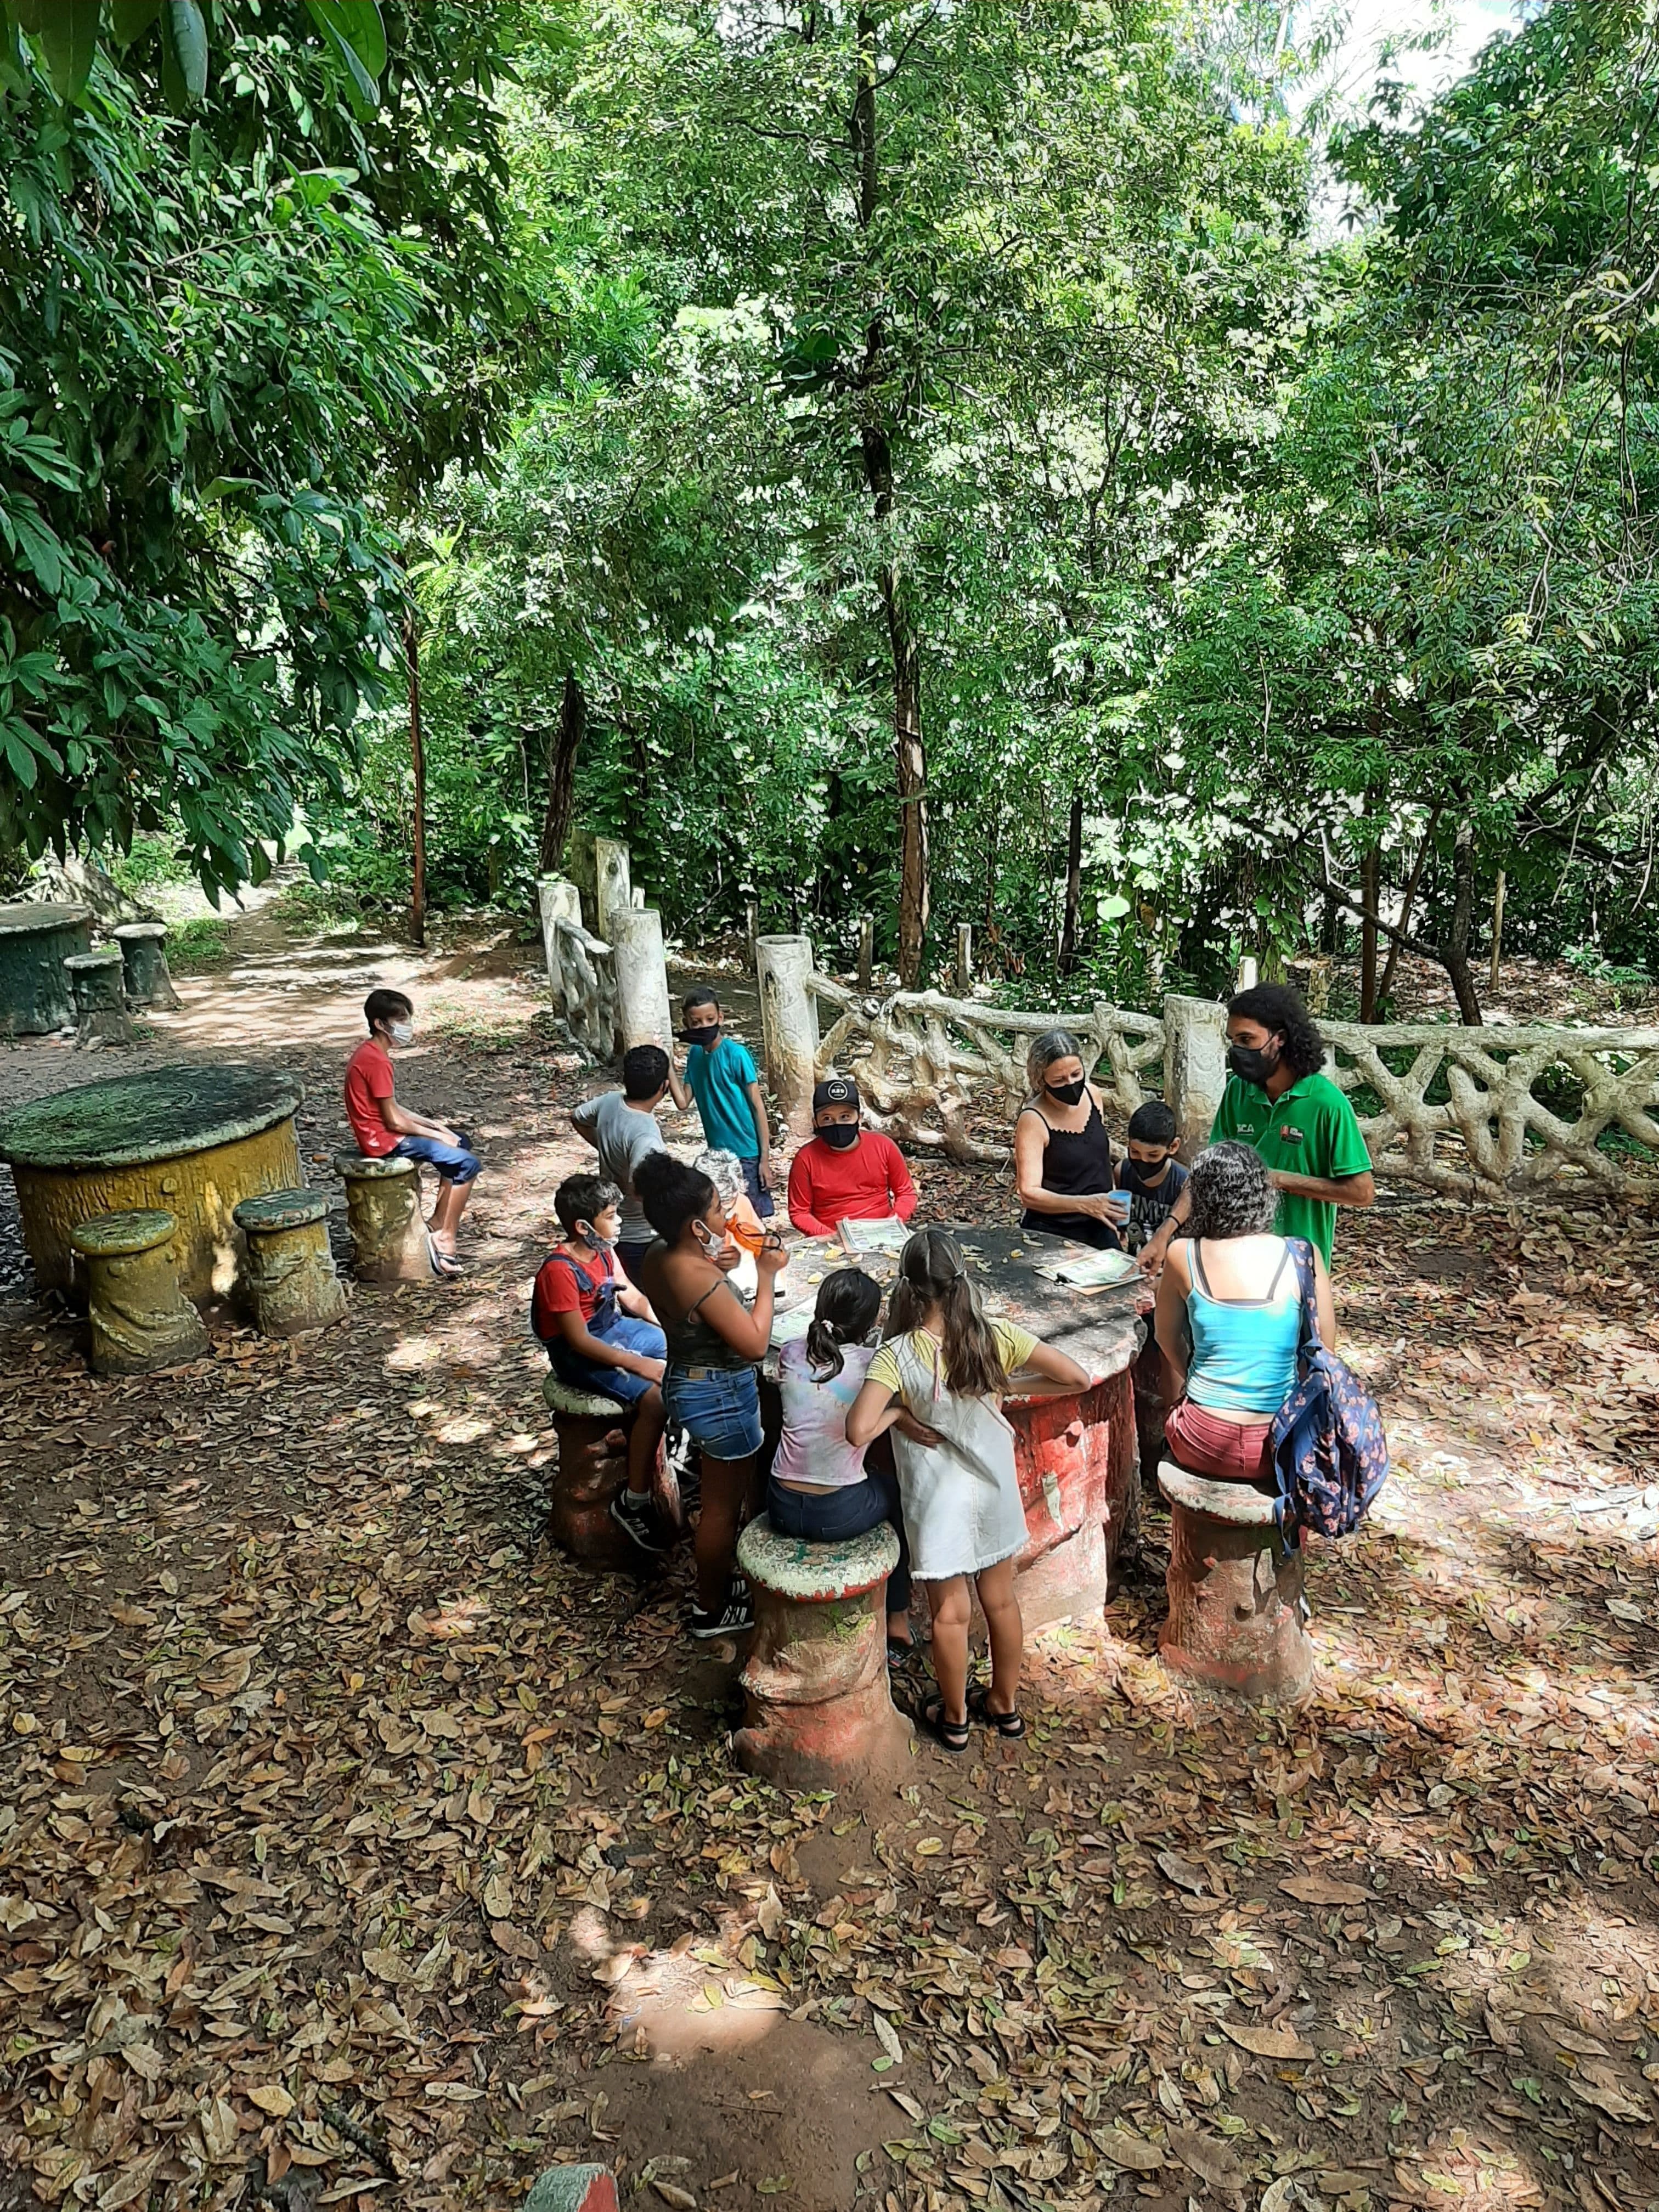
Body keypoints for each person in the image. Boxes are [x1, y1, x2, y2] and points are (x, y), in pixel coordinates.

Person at [847, 1228, 1088, 1752]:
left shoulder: (897, 1354)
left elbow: (857, 1430)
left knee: (949, 1613)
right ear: (961, 1279)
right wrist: (1012, 1385)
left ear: (907, 1289)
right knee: (1001, 1601)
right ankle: (1005, 1704)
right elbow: (1077, 1378)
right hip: (994, 1491)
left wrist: (900, 1414)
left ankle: (954, 1718)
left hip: (937, 1503)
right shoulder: (994, 1336)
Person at [635, 1150, 788, 1638]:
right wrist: (765, 1276)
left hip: (685, 1379)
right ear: (696, 1228)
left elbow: (693, 1297)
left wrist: (721, 1263)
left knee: (729, 1495)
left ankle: (725, 1582)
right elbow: (754, 1345)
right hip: (720, 1396)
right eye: (719, 1210)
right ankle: (711, 1609)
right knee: (722, 1508)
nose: (727, 1215)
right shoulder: (700, 1279)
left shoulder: (660, 1256)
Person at [1139, 984, 1374, 1276]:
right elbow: (1205, 1174)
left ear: (1280, 1039)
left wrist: (1279, 1180)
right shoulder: (1238, 1092)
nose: (1238, 1050)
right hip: (1233, 1263)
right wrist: (1165, 1234)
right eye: (1233, 1040)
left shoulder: (1327, 1105)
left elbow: (1362, 1193)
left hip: (1296, 1268)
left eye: (1247, 1039)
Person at [1154, 1141, 1335, 1483]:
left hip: (1201, 1438)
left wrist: (1193, 1379)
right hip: (1281, 1443)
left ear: (1202, 1198)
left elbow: (1165, 1336)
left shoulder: (1182, 1254)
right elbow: (1325, 1350)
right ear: (1262, 1194)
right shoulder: (1303, 1254)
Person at [768, 1268, 919, 1655]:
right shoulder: (876, 1365)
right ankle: (899, 1621)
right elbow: (904, 1403)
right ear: (870, 1324)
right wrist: (899, 1414)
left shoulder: (789, 1352)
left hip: (780, 1504)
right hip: (839, 1513)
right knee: (899, 1498)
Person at [532, 1175, 670, 1554]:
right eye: (612, 1215)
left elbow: (633, 1298)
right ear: (583, 1227)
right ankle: (634, 1500)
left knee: (681, 1355)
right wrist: (639, 1365)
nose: (621, 1221)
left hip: (614, 1328)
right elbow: (578, 1340)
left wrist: (670, 1326)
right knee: (656, 1399)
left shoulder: (605, 1251)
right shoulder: (559, 1270)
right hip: (580, 1351)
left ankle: (674, 1449)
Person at [343, 988, 480, 1277]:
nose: (408, 1026)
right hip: (383, 1142)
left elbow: (392, 1107)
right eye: (401, 1019)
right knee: (468, 1164)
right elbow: (394, 1122)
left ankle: (437, 1223)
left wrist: (437, 1127)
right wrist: (437, 1137)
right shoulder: (377, 1061)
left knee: (461, 1142)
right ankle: (445, 1242)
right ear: (380, 1024)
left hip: (382, 1132)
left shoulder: (370, 1053)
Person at [1013, 1030, 1129, 1251]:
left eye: (1076, 1074)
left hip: (1101, 1222)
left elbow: (1098, 1160)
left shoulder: (1093, 1095)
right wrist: (1085, 1204)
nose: (1071, 1084)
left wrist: (1115, 1215)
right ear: (1041, 1081)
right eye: (1059, 1080)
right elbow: (1029, 1193)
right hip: (1054, 1228)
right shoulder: (1033, 1120)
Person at [572, 1045, 675, 1286]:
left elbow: (577, 1116)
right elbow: (639, 1189)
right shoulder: (646, 1136)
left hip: (613, 1226)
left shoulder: (610, 1102)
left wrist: (605, 1147)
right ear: (663, 1087)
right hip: (641, 1235)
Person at [679, 991, 775, 1219]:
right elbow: (683, 1102)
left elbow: (757, 1106)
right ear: (687, 1024)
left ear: (720, 1018)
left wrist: (764, 1159)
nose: (704, 1026)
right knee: (724, 1216)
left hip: (746, 1152)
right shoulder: (694, 1055)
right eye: (696, 1022)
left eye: (710, 1020)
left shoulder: (736, 1054)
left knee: (754, 1217)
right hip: (716, 1155)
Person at [787, 1076, 918, 1237]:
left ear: (859, 1117)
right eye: (827, 1119)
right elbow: (799, 1213)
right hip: (830, 1239)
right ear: (816, 1123)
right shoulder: (806, 1159)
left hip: (883, 1232)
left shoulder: (884, 1146)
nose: (837, 1124)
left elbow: (906, 1193)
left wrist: (894, 1220)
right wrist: (832, 1237)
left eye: (845, 1117)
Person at [1115, 1100, 1188, 1255]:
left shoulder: (1184, 1183)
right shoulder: (1122, 1171)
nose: (1143, 1161)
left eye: (1153, 1155)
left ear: (1173, 1147)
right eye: (1135, 1152)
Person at [696, 1148, 765, 1300]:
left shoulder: (741, 1201)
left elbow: (760, 1240)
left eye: (730, 1208)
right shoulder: (688, 1228)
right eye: (719, 1210)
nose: (726, 1218)